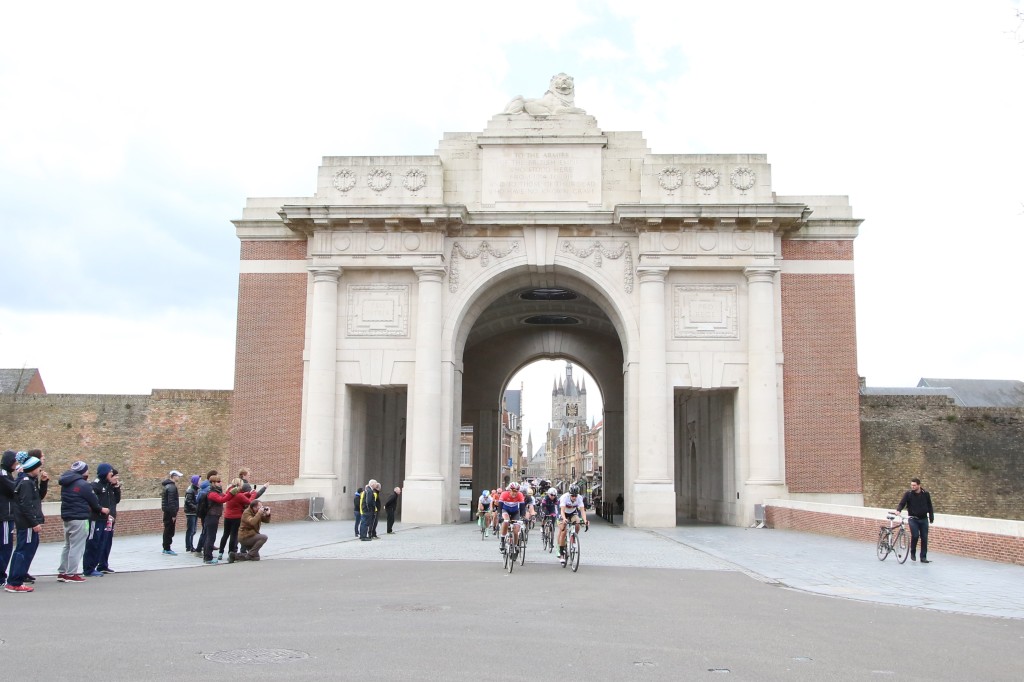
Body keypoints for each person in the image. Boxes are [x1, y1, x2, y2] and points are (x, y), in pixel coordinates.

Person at [58, 460, 108, 582]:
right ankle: (71, 573)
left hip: (67, 516)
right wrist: (102, 509)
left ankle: (62, 571)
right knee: (77, 546)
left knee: (68, 545)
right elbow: (93, 502)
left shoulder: (66, 483)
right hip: (80, 517)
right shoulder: (83, 484)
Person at [6, 455, 45, 593]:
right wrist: (34, 522)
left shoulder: (27, 481)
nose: (40, 470)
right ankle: (15, 582)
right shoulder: (27, 483)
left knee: (24, 550)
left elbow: (37, 498)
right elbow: (26, 505)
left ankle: (16, 580)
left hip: (26, 523)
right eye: (38, 467)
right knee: (24, 552)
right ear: (33, 468)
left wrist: (43, 483)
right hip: (27, 524)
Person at [83, 463, 120, 576]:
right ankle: (88, 569)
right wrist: (101, 511)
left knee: (102, 543)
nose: (112, 474)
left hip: (105, 519)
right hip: (96, 519)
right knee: (93, 543)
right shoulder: (95, 486)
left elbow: (115, 500)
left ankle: (99, 566)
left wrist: (116, 488)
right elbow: (93, 503)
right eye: (110, 472)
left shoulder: (108, 486)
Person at [219, 478, 267, 560]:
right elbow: (250, 502)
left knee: (225, 534)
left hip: (227, 516)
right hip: (236, 517)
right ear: (239, 485)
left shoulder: (229, 492)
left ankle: (221, 552)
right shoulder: (239, 495)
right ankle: (232, 553)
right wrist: (253, 494)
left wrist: (248, 493)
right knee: (233, 536)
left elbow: (242, 496)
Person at [896, 477, 935, 563]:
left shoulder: (926, 494)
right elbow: (902, 503)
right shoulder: (908, 494)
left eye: (914, 485)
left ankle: (923, 557)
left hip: (924, 519)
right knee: (915, 535)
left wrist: (931, 517)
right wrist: (898, 510)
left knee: (924, 538)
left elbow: (930, 506)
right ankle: (913, 552)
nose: (912, 487)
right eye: (911, 485)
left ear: (919, 485)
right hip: (913, 519)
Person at [201, 474, 233, 565]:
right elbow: (222, 499)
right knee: (210, 537)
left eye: (220, 481)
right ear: (213, 483)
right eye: (218, 482)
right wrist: (231, 493)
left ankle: (207, 556)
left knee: (210, 536)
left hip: (214, 516)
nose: (220, 483)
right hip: (211, 516)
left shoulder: (217, 491)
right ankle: (208, 557)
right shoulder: (212, 493)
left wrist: (231, 490)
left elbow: (226, 496)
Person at [557, 484, 589, 566]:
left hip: (572, 512)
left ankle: (573, 538)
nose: (574, 497)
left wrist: (585, 521)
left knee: (577, 521)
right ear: (569, 494)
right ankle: (561, 554)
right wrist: (564, 519)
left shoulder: (579, 498)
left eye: (575, 495)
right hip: (563, 513)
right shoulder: (565, 497)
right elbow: (562, 511)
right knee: (563, 531)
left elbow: (582, 511)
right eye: (572, 496)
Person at [1, 450, 19, 587]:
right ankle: (1, 576)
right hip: (4, 516)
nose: (16, 463)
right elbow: (15, 490)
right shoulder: (3, 474)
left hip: (6, 515)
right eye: (15, 461)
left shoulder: (6, 474)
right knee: (5, 547)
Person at [497, 482, 526, 553]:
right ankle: (502, 540)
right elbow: (500, 506)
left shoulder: (520, 495)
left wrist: (523, 517)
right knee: (506, 521)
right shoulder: (504, 494)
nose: (514, 493)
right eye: (513, 491)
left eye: (516, 491)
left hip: (515, 512)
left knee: (516, 530)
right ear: (510, 490)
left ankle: (515, 545)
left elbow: (522, 508)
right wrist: (500, 515)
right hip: (505, 510)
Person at [160, 470, 183, 555]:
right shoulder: (172, 487)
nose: (179, 478)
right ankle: (167, 548)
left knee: (167, 529)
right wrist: (174, 514)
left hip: (167, 511)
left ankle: (166, 547)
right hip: (170, 513)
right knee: (169, 530)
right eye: (178, 476)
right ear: (173, 476)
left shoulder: (167, 486)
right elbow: (172, 502)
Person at [184, 475, 200, 553]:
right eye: (199, 480)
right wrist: (196, 508)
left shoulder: (196, 490)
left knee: (193, 530)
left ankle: (191, 545)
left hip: (194, 512)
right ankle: (189, 546)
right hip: (191, 513)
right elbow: (188, 501)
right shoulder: (190, 490)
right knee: (190, 530)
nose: (200, 482)